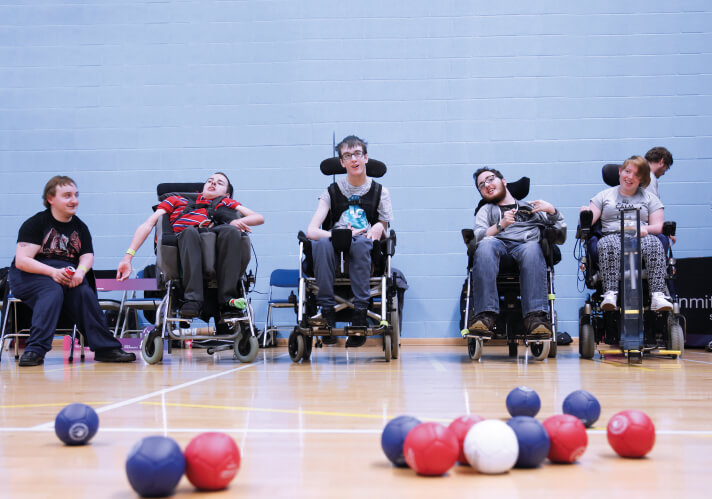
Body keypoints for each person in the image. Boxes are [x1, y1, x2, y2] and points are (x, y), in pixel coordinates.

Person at [9, 176, 136, 366]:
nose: (74, 200)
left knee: (84, 292)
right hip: (32, 276)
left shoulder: (80, 227)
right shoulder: (36, 223)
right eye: (67, 196)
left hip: (65, 275)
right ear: (51, 199)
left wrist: (80, 272)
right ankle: (35, 350)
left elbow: (87, 256)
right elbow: (22, 260)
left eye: (76, 195)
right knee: (51, 289)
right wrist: (52, 272)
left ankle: (106, 349)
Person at [117, 172, 264, 318]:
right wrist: (128, 257)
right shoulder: (175, 200)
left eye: (220, 183)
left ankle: (227, 300)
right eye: (210, 180)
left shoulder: (224, 203)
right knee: (189, 233)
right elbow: (148, 224)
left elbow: (258, 218)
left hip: (213, 242)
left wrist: (236, 222)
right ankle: (193, 299)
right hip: (185, 239)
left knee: (231, 231)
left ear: (227, 195)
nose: (213, 183)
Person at [305, 135, 393, 347]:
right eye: (347, 155)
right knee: (322, 244)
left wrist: (380, 226)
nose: (353, 159)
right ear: (342, 162)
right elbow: (311, 230)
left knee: (363, 242)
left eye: (357, 154)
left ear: (366, 158)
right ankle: (326, 312)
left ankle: (360, 313)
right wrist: (337, 235)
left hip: (363, 243)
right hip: (335, 243)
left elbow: (385, 229)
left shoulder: (381, 192)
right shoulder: (330, 192)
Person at [468, 168, 566, 338]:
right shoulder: (486, 210)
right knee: (485, 245)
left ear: (503, 181)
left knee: (532, 247)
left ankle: (535, 318)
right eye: (481, 185)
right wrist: (501, 225)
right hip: (497, 247)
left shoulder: (531, 208)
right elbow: (476, 238)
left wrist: (552, 212)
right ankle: (485, 316)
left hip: (526, 246)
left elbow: (560, 237)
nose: (487, 185)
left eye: (490, 179)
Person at [581, 156, 672, 312]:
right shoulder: (603, 196)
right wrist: (585, 214)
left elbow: (659, 225)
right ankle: (610, 294)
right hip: (612, 235)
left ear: (643, 179)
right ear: (620, 171)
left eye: (636, 174)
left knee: (655, 243)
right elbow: (588, 221)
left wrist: (646, 230)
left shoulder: (650, 198)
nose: (630, 177)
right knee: (608, 244)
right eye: (627, 171)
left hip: (641, 235)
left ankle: (657, 295)